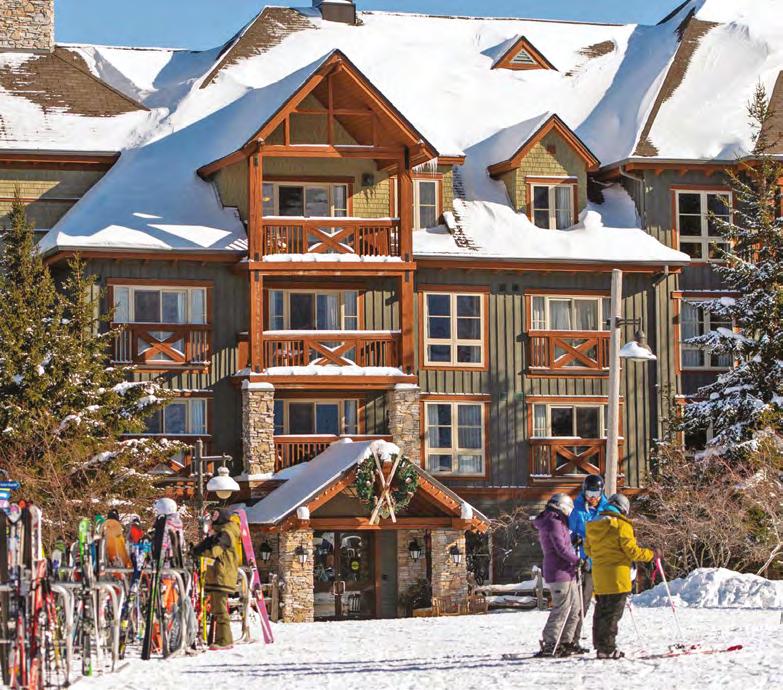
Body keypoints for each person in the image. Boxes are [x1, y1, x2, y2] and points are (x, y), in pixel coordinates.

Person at [585, 493, 660, 659]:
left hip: (599, 576)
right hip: (617, 577)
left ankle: (600, 645)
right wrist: (651, 555)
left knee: (601, 611)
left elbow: (588, 550)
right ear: (623, 508)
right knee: (613, 614)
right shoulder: (621, 525)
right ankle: (607, 648)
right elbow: (632, 551)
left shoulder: (592, 524)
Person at [532, 493, 581, 657]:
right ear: (562, 507)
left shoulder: (558, 521)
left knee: (575, 608)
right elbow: (560, 548)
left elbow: (564, 543)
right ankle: (550, 642)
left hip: (567, 570)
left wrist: (574, 542)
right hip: (559, 571)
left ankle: (566, 641)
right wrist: (577, 560)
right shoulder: (553, 521)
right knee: (562, 608)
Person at [568, 474, 609, 646]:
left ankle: (604, 642)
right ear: (584, 492)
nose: (593, 498)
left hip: (603, 562)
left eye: (596, 494)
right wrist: (574, 539)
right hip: (585, 563)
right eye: (590, 493)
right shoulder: (577, 511)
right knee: (582, 603)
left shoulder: (607, 510)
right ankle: (572, 639)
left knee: (606, 604)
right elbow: (569, 533)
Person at [191, 508, 241, 650]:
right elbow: (207, 544)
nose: (211, 521)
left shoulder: (226, 533)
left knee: (220, 610)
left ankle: (225, 640)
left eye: (214, 518)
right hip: (217, 575)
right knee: (216, 609)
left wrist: (204, 554)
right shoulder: (219, 532)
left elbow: (216, 549)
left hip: (222, 575)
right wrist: (194, 551)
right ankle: (221, 639)